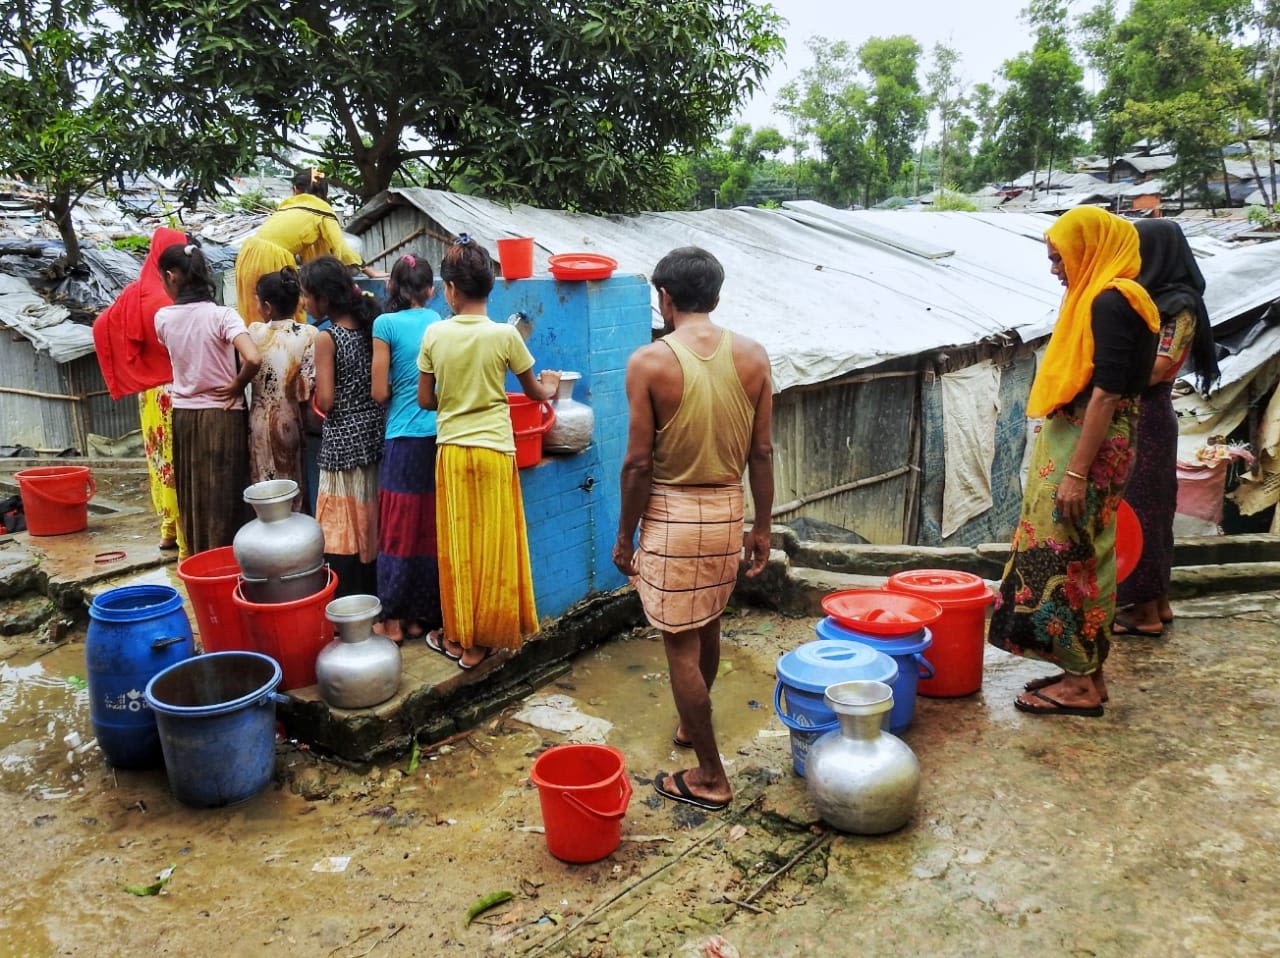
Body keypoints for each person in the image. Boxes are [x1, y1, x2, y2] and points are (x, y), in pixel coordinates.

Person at [613, 246, 774, 812]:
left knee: (679, 645)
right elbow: (762, 452)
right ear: (718, 295)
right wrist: (762, 525)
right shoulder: (753, 356)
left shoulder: (649, 362)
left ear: (665, 297)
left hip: (672, 514)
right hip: (728, 509)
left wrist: (623, 536)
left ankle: (710, 776)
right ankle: (690, 726)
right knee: (706, 623)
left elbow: (636, 465)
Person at [989, 207, 1161, 717]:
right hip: (1098, 439)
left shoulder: (1110, 301)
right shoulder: (1128, 298)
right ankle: (1087, 673)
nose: (1055, 268)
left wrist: (1076, 472)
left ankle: (1080, 685)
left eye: (1059, 256)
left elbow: (1106, 393)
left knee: (1066, 557)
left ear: (1088, 248)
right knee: (1083, 552)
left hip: (1088, 444)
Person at [416, 236, 559, 671]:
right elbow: (534, 391)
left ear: (451, 289)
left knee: (460, 549)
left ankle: (461, 639)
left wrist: (458, 399)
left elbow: (426, 400)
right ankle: (489, 639)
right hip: (496, 449)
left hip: (454, 451)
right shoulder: (504, 335)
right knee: (495, 547)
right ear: (491, 287)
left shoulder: (434, 333)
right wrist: (550, 386)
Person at [1113, 219, 1221, 638]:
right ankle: (1157, 602)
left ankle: (1144, 614)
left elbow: (1159, 368)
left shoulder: (1177, 305)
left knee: (1141, 513)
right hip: (1148, 413)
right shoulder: (1160, 300)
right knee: (1152, 510)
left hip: (1146, 415)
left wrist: (1106, 375)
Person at [153, 242, 262, 556]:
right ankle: (232, 564)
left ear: (172, 276)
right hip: (224, 415)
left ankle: (202, 561)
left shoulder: (163, 318)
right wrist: (237, 385)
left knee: (194, 493)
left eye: (162, 279)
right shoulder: (223, 315)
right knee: (227, 494)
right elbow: (253, 357)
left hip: (185, 416)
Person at [92, 226, 187, 553]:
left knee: (159, 461)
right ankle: (187, 538)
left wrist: (130, 367)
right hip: (179, 392)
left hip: (149, 394)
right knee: (181, 462)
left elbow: (102, 325)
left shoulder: (134, 294)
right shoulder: (175, 296)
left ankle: (166, 530)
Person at [301, 256, 386, 598]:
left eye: (307, 296)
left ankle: (346, 599)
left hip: (341, 441)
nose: (304, 303)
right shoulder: (371, 326)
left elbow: (326, 400)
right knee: (369, 514)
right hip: (374, 433)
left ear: (324, 298)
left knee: (340, 523)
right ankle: (374, 592)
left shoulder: (327, 338)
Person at [372, 254, 444, 642]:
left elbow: (379, 390)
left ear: (390, 288)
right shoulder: (436, 322)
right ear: (431, 291)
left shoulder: (385, 324)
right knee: (426, 529)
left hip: (402, 437)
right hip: (436, 437)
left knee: (397, 527)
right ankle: (422, 617)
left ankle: (393, 620)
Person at [234, 168, 380, 323]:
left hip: (247, 253)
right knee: (286, 311)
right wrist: (369, 271)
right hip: (272, 258)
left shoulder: (288, 206)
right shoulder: (322, 210)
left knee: (255, 308)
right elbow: (342, 249)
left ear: (296, 189)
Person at [246, 267, 317, 501]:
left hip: (257, 420)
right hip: (291, 419)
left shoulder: (254, 333)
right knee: (294, 484)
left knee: (263, 484)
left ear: (267, 307)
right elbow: (307, 389)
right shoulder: (309, 334)